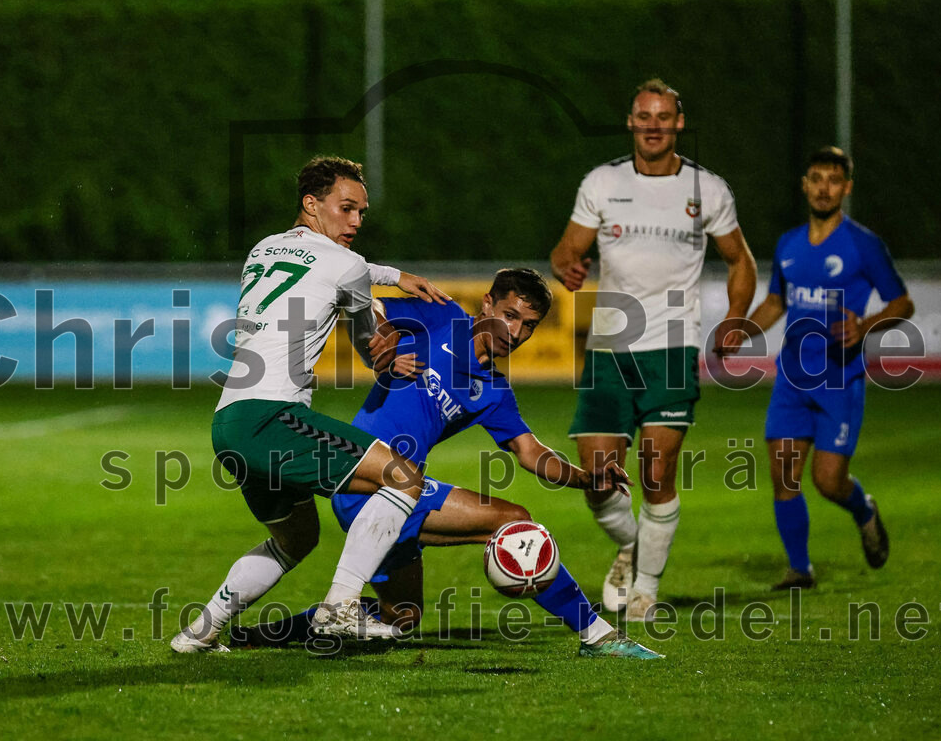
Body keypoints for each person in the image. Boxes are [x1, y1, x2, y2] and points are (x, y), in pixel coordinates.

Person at [232, 269, 662, 658]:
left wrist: (586, 478)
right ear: (487, 303)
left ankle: (266, 635)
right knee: (514, 521)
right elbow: (371, 304)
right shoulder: (443, 317)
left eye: (529, 325)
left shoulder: (493, 390)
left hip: (401, 495)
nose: (516, 332)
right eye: (509, 315)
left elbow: (531, 453)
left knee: (400, 618)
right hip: (367, 481)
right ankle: (598, 635)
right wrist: (382, 339)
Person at [170, 155, 452, 652]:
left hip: (228, 422)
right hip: (272, 416)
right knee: (403, 477)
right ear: (312, 203)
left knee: (296, 539)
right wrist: (386, 346)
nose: (357, 221)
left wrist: (390, 278)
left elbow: (336, 268)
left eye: (362, 212)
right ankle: (340, 606)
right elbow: (369, 336)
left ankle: (202, 632)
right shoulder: (348, 266)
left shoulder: (264, 248)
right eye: (347, 208)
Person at [549, 78, 757, 622]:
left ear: (678, 123)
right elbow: (566, 249)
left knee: (654, 474)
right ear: (631, 121)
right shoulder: (602, 182)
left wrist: (736, 318)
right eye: (644, 116)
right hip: (609, 348)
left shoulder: (706, 189)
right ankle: (632, 544)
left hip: (670, 346)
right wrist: (567, 266)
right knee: (597, 479)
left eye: (663, 117)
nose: (653, 125)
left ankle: (644, 588)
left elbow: (741, 260)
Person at [736, 146, 913, 589]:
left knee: (828, 481)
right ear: (805, 184)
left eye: (833, 180)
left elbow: (903, 302)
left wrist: (866, 326)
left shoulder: (863, 244)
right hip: (793, 378)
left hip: (840, 379)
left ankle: (863, 510)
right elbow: (778, 300)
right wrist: (740, 331)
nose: (823, 188)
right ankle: (800, 568)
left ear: (847, 188)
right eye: (816, 178)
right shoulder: (789, 243)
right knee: (783, 474)